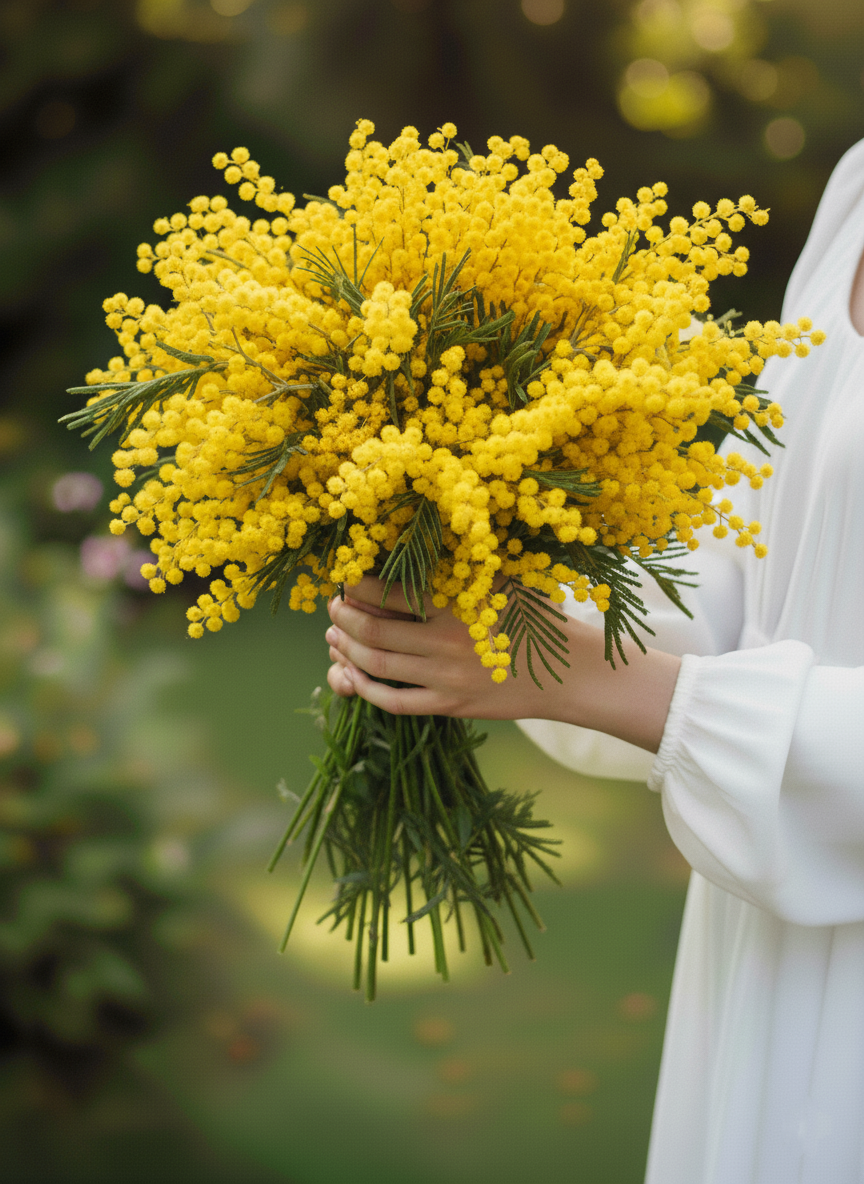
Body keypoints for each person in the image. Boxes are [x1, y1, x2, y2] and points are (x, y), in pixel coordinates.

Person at [324, 138, 864, 1183]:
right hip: (762, 978)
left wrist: (597, 680)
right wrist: (488, 592)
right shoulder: (858, 185)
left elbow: (663, 680)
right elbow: (732, 587)